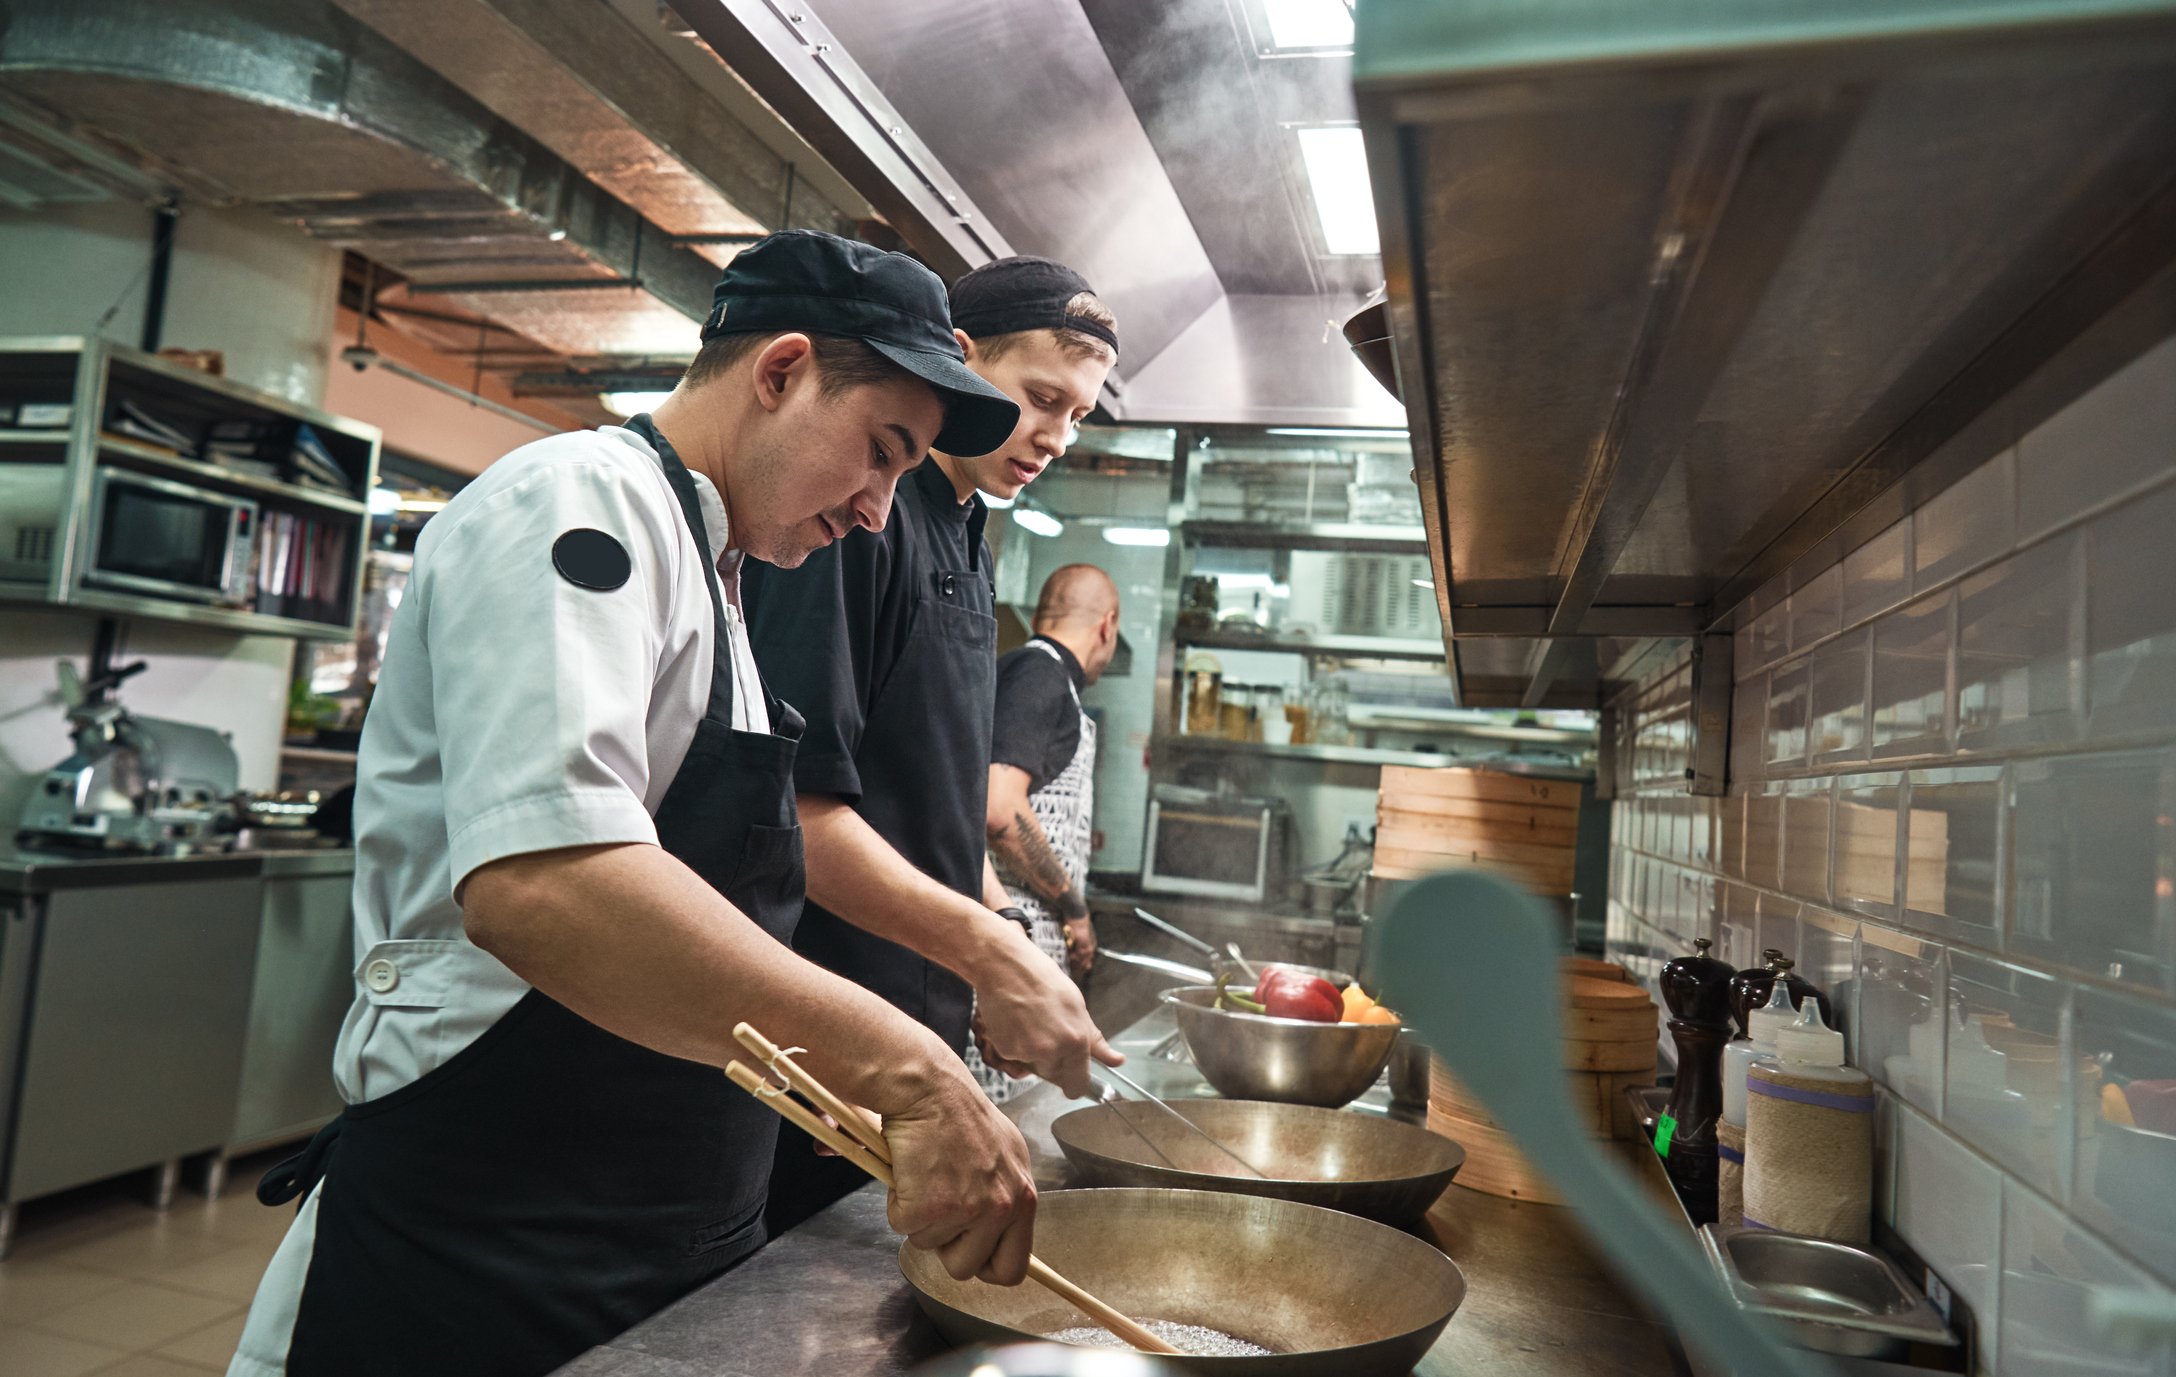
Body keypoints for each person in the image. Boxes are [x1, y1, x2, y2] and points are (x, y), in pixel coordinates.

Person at [227, 232, 1041, 1377]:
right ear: (781, 372)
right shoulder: (579, 500)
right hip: (484, 1245)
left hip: (637, 1229)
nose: (874, 511)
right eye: (880, 451)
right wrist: (904, 1066)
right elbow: (549, 884)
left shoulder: (719, 575)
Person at [743, 257, 1121, 1233]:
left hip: (911, 1027)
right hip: (820, 1027)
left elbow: (930, 802)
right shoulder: (852, 521)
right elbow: (797, 810)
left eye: (1077, 415)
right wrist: (995, 956)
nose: (1057, 436)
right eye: (1042, 398)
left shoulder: (968, 535)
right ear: (959, 361)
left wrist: (1010, 942)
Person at [974, 564, 1121, 1101]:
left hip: (1019, 947)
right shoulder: (1040, 675)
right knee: (992, 1108)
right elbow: (998, 809)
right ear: (1107, 626)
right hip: (1007, 938)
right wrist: (1074, 905)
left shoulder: (1039, 674)